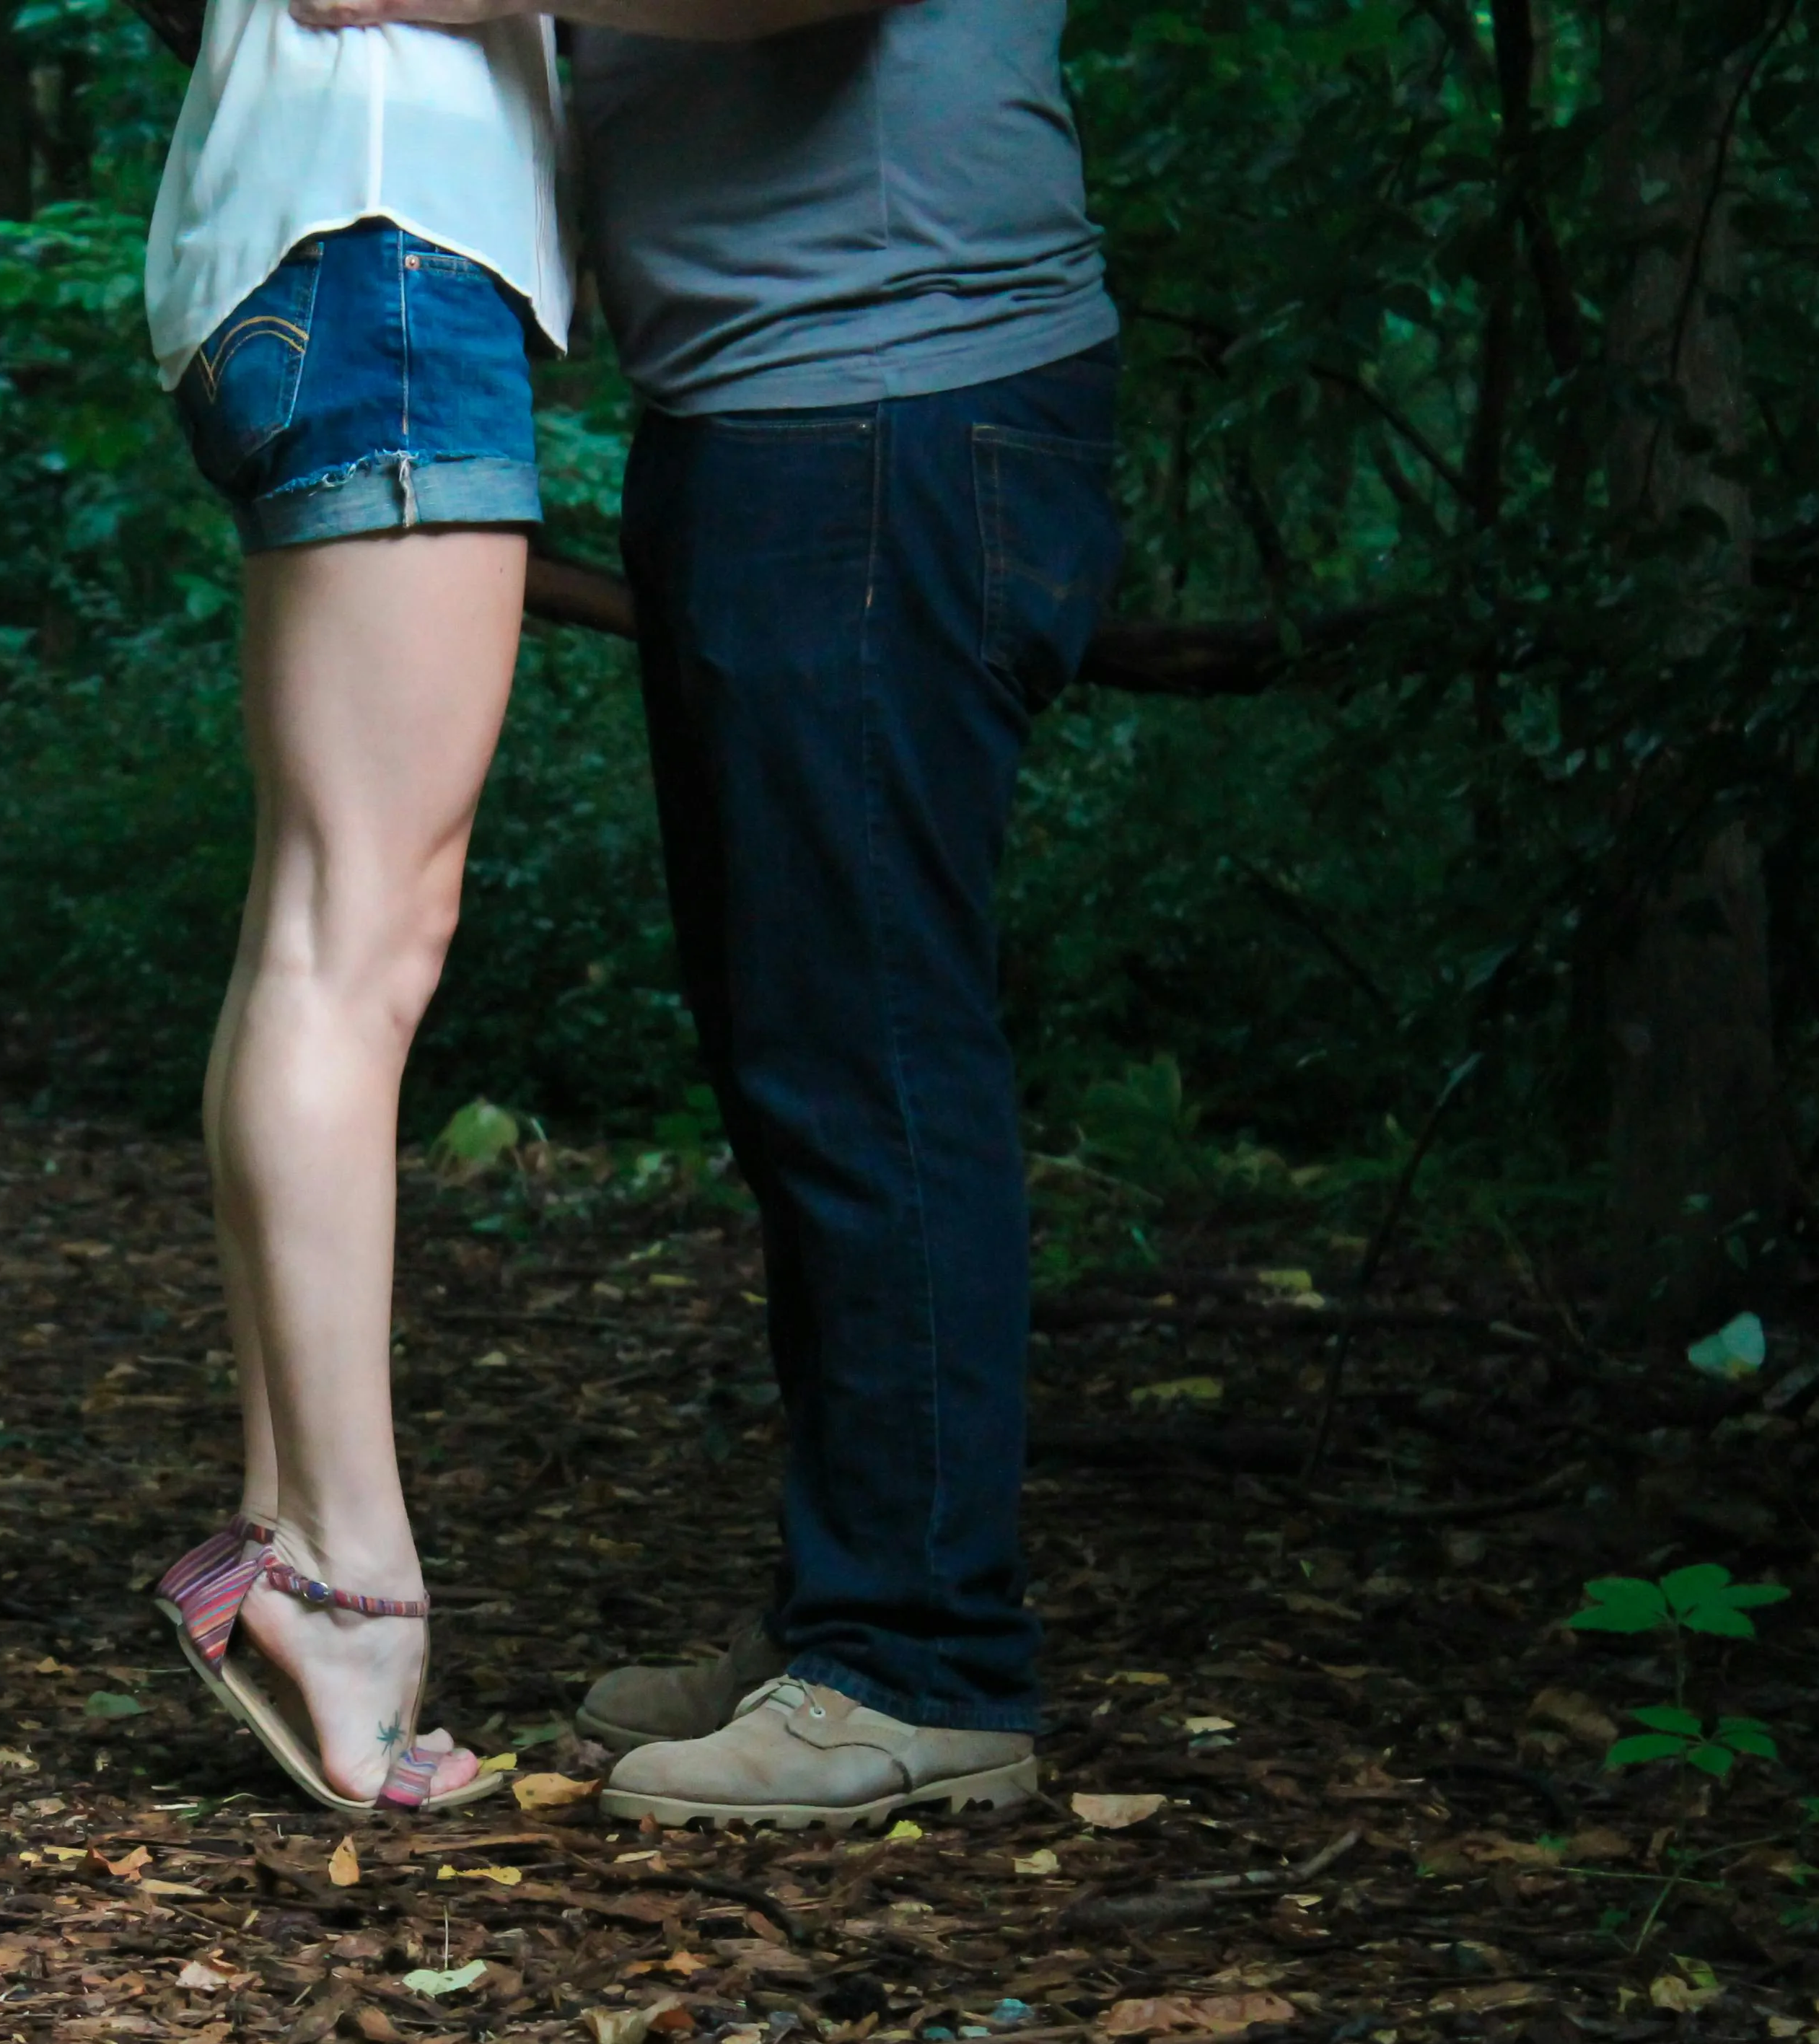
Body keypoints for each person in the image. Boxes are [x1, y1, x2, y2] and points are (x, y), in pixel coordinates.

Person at [285, 0, 1124, 1827]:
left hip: (889, 410)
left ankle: (922, 1664)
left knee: (867, 1053)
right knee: (800, 1053)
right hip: (787, 417)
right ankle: (853, 1618)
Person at [137, 0, 573, 1814]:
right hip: (393, 243)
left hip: (301, 244)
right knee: (356, 947)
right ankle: (336, 1572)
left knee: (315, 933)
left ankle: (285, 1533)